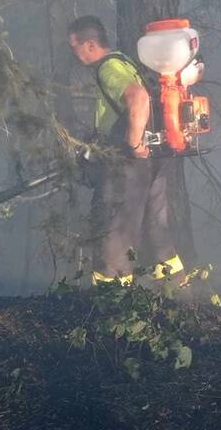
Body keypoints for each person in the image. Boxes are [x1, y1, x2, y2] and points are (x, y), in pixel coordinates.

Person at [67, 16, 183, 285]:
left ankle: (114, 307)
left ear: (90, 44)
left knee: (114, 239)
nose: (74, 54)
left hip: (129, 165)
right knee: (157, 233)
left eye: (75, 47)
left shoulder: (108, 68)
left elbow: (137, 97)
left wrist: (133, 143)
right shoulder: (125, 61)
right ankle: (180, 297)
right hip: (151, 162)